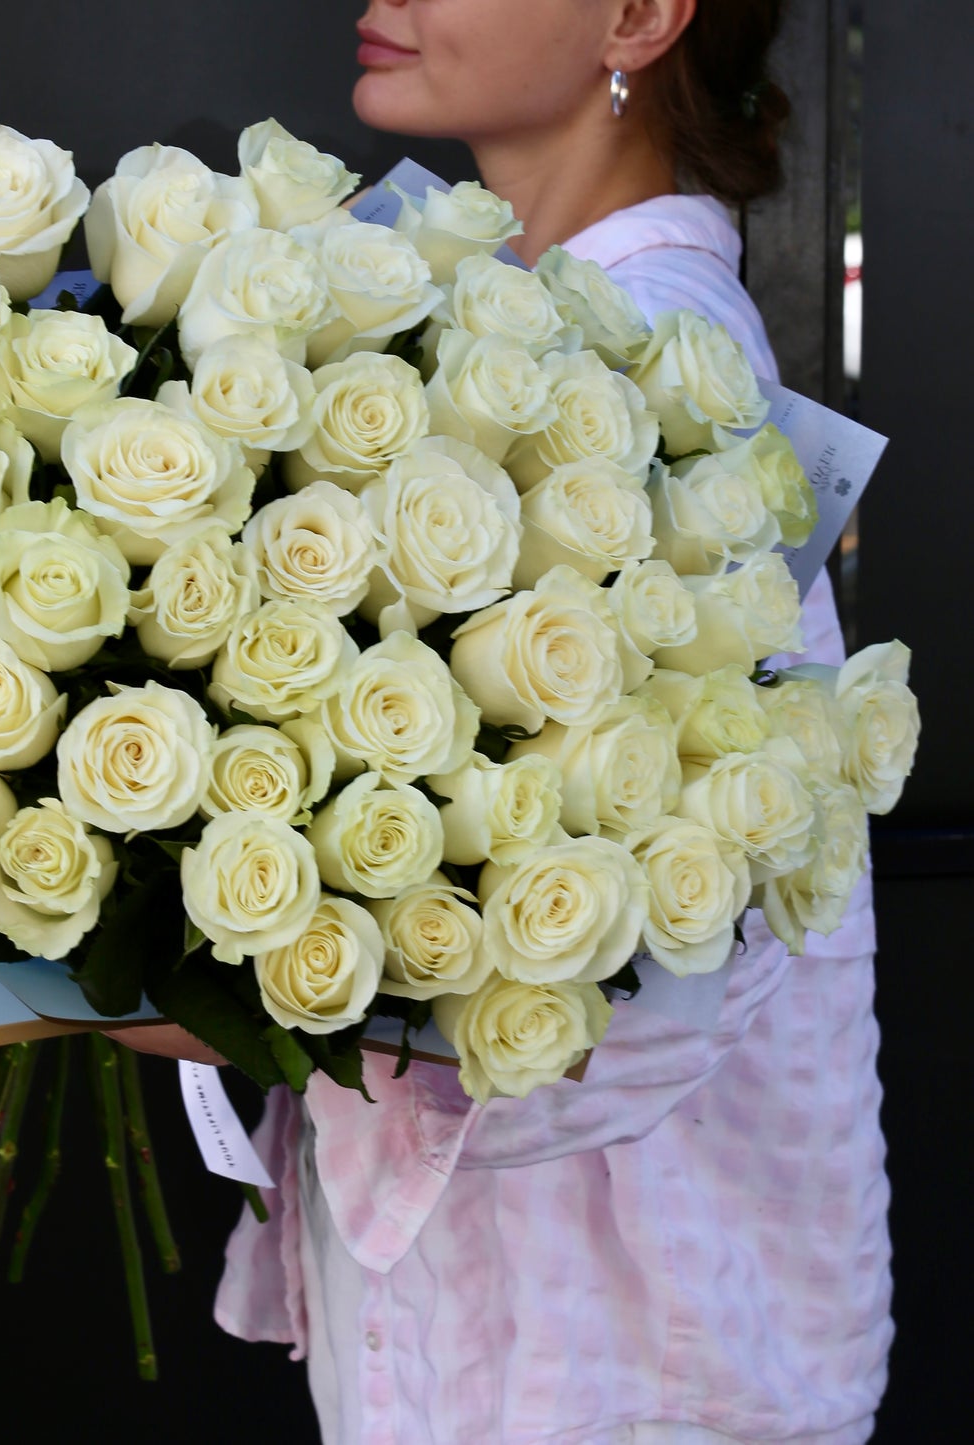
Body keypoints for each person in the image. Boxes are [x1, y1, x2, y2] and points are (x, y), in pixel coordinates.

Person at [120, 2, 892, 1441]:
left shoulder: (657, 368)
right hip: (508, 1325)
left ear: (641, 15)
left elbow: (659, 985)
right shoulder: (492, 320)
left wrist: (239, 987)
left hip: (613, 1347)